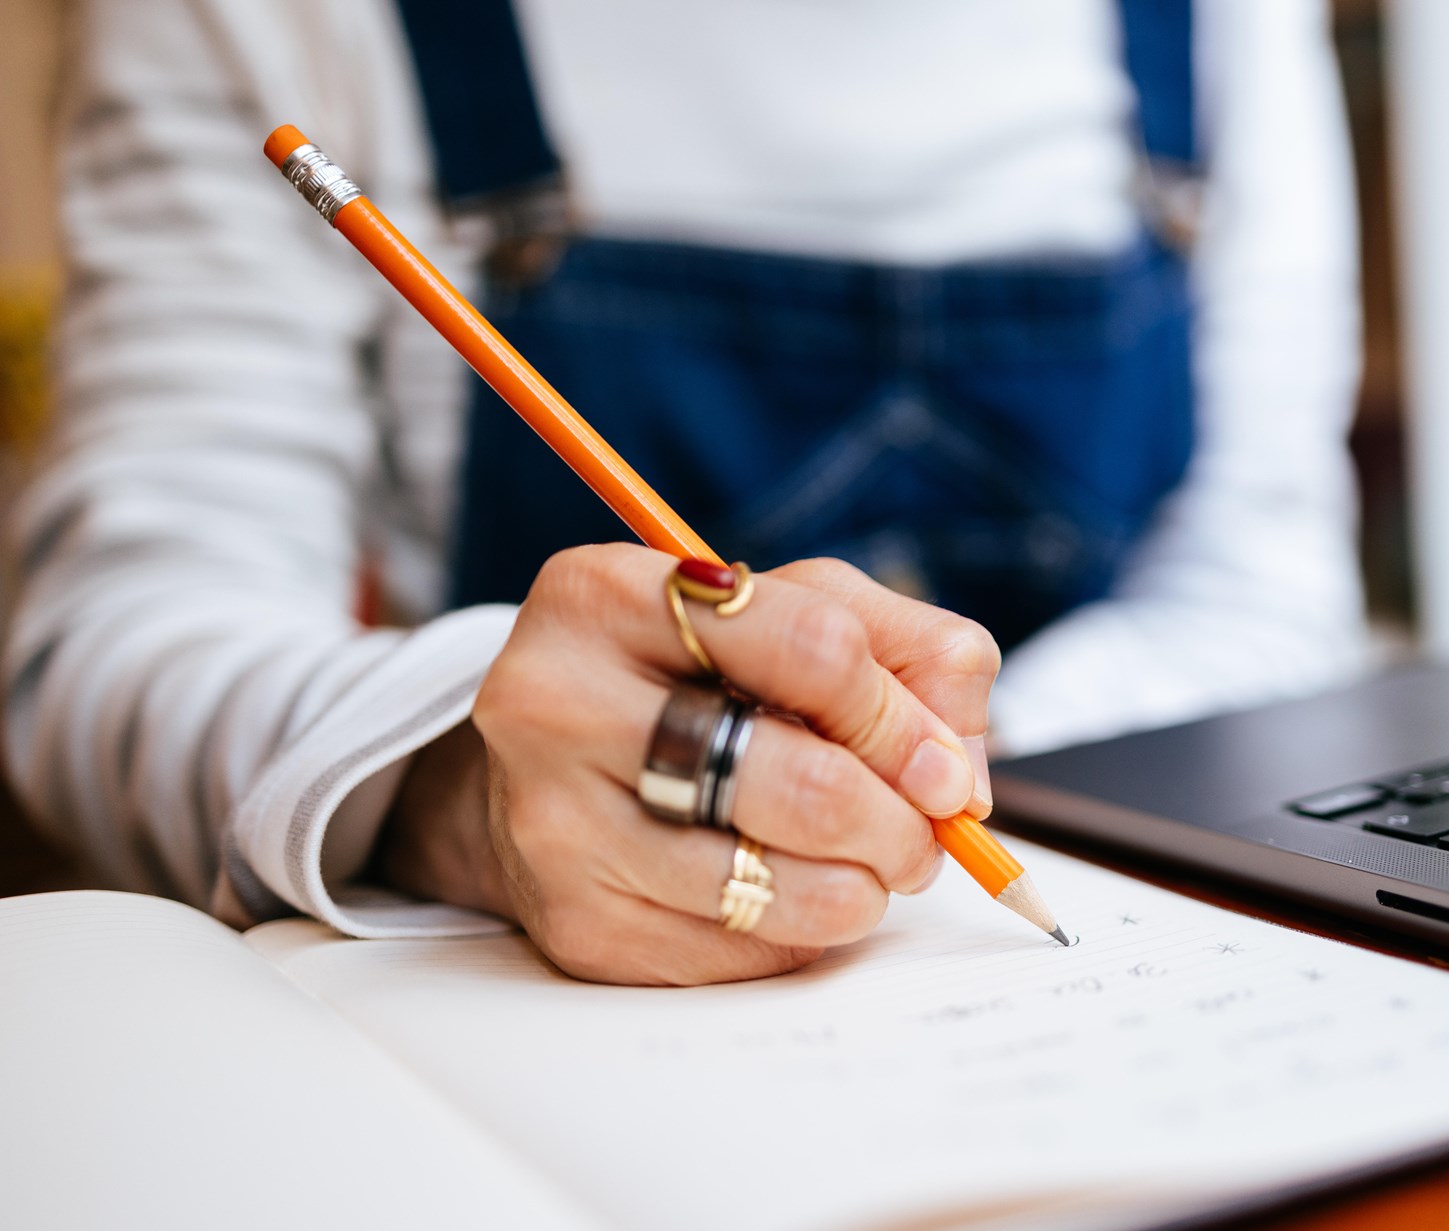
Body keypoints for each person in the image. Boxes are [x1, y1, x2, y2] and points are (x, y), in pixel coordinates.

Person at [3, 0, 1367, 983]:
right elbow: (108, 648)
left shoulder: (1220, 28)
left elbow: (1262, 585)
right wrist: (448, 778)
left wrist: (914, 774)